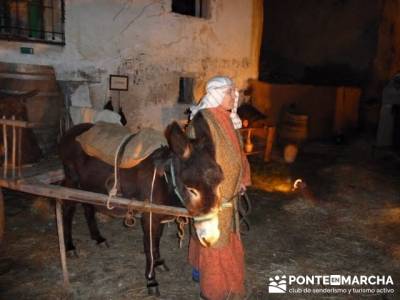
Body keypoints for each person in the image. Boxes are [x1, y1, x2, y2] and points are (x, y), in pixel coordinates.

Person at [187, 76, 251, 300]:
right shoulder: (203, 121)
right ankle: (213, 289)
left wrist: (243, 178)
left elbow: (239, 154)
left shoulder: (229, 119)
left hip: (230, 195)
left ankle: (198, 269)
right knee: (213, 239)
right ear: (215, 94)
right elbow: (196, 162)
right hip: (213, 196)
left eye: (234, 92)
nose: (234, 96)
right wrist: (209, 193)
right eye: (229, 92)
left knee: (222, 237)